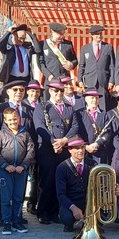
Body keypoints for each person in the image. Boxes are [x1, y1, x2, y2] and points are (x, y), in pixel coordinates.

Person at [33, 80, 80, 224]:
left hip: (63, 149)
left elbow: (75, 126)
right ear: (49, 91)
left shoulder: (69, 107)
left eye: (60, 90)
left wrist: (64, 140)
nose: (59, 93)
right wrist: (54, 142)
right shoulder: (42, 107)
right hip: (48, 149)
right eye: (55, 91)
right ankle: (43, 212)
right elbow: (40, 126)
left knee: (59, 182)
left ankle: (54, 211)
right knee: (46, 181)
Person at [56, 136, 119, 232]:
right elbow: (61, 195)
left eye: (82, 147)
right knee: (67, 218)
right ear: (70, 150)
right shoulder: (62, 168)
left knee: (105, 212)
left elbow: (104, 184)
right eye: (77, 148)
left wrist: (115, 188)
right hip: (73, 203)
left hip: (91, 203)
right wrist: (73, 208)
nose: (81, 150)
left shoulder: (92, 164)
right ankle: (69, 224)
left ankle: (94, 222)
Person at [0, 80, 36, 225]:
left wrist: (29, 158)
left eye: (21, 90)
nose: (19, 92)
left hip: (23, 158)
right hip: (5, 157)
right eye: (15, 90)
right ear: (8, 92)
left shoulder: (28, 109)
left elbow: (32, 133)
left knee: (20, 189)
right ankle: (3, 216)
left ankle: (17, 215)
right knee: (5, 191)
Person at [0, 108, 36, 235]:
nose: (13, 122)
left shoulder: (25, 134)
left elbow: (31, 151)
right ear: (5, 120)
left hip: (21, 171)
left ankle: (17, 221)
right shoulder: (1, 134)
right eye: (9, 120)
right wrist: (5, 165)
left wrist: (24, 165)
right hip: (5, 171)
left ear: (19, 118)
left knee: (18, 198)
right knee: (6, 198)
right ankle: (6, 223)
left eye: (15, 119)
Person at [0, 24, 39, 103]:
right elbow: (0, 45)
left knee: (24, 100)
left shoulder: (27, 46)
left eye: (24, 38)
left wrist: (32, 36)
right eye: (20, 38)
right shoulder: (8, 46)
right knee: (10, 100)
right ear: (14, 35)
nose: (22, 41)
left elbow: (38, 50)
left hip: (25, 79)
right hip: (11, 78)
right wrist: (8, 32)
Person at [77, 25, 116, 111]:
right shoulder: (85, 48)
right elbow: (81, 65)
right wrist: (79, 80)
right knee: (90, 105)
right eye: (96, 34)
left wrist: (111, 81)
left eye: (100, 34)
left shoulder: (108, 47)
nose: (99, 36)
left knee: (103, 106)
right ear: (92, 35)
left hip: (103, 81)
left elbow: (112, 66)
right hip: (89, 81)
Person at [39, 23, 77, 98]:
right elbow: (41, 63)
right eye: (59, 34)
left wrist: (72, 64)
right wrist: (49, 75)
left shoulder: (68, 44)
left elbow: (75, 60)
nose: (62, 36)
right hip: (50, 79)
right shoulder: (43, 44)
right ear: (52, 31)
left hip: (64, 80)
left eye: (63, 34)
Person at [76, 89, 111, 164]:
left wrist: (97, 143)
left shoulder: (104, 114)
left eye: (97, 98)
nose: (94, 100)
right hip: (83, 151)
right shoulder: (79, 113)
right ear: (86, 99)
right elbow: (76, 131)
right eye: (92, 97)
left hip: (100, 152)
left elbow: (108, 133)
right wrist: (85, 146)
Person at [24, 80, 43, 215]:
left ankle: (33, 202)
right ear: (27, 91)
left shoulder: (42, 106)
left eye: (37, 91)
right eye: (32, 91)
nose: (34, 93)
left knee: (36, 177)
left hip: (39, 145)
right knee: (25, 175)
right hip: (25, 146)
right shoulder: (23, 106)